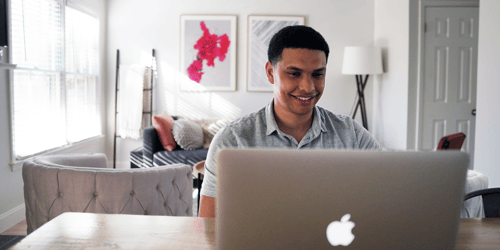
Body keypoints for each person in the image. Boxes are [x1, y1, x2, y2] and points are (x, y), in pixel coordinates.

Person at [198, 25, 382, 218]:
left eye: (318, 74)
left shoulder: (351, 134)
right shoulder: (232, 140)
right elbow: (207, 227)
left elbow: (389, 189)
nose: (308, 87)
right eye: (294, 73)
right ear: (270, 72)